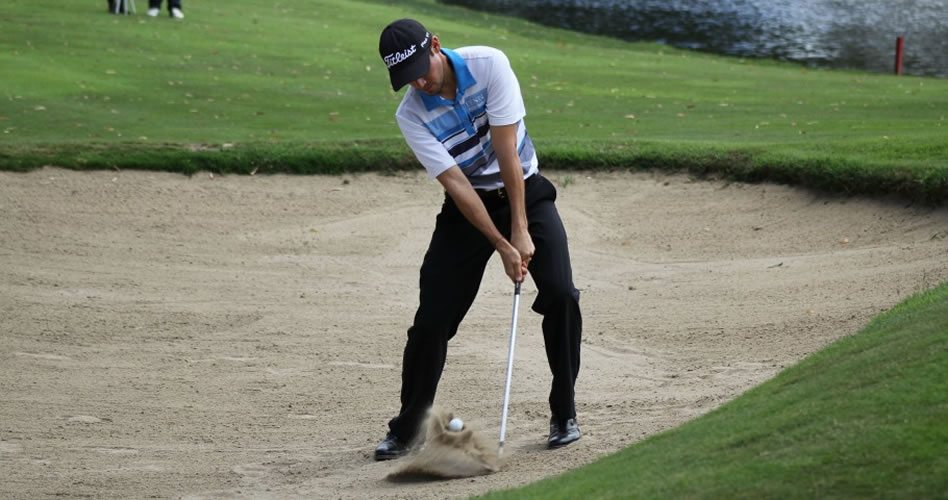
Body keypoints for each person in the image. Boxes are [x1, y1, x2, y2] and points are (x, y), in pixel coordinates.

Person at [373, 18, 583, 460]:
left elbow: (507, 153)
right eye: (406, 78)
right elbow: (458, 186)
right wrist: (503, 245)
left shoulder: (490, 65)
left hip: (524, 188)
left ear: (435, 45)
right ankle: (408, 425)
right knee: (432, 318)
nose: (419, 82)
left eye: (420, 68)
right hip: (469, 210)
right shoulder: (411, 114)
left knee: (562, 293)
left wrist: (521, 228)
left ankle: (563, 412)